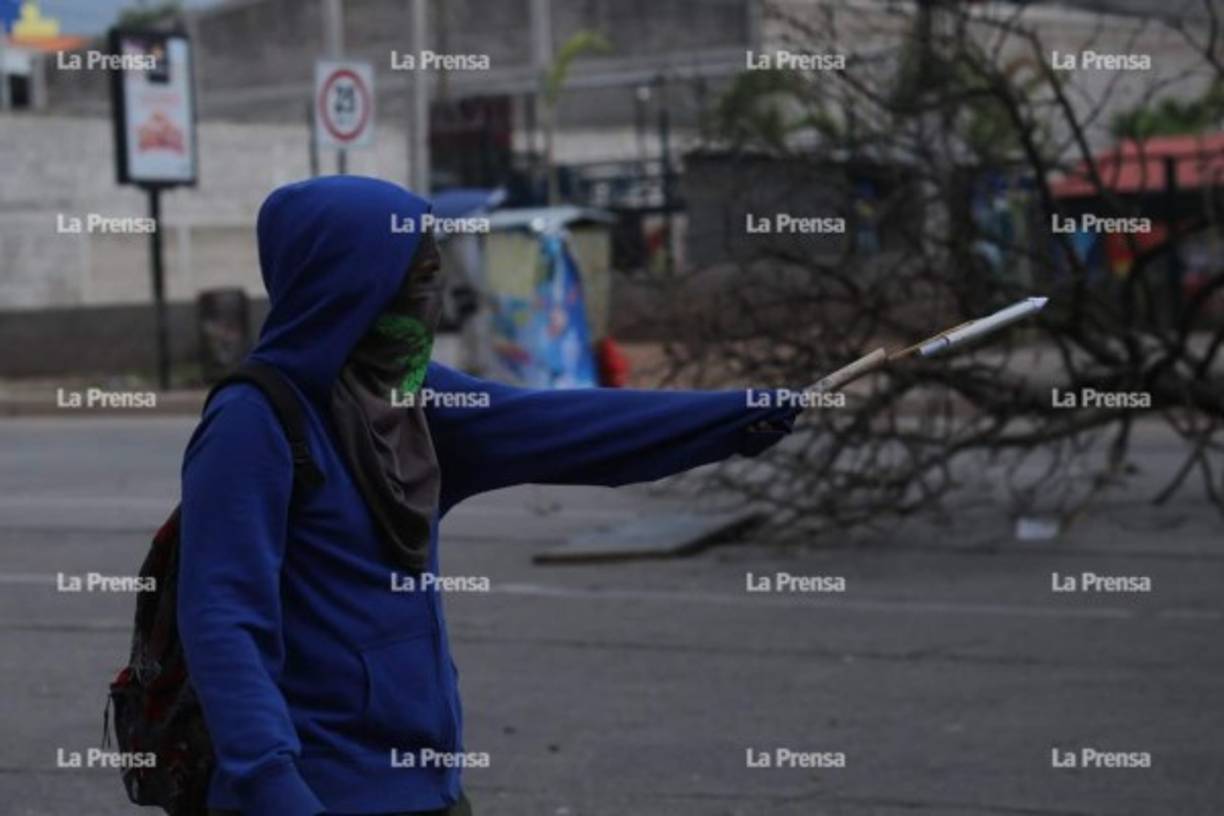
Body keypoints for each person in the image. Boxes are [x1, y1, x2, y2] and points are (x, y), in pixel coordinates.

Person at [178, 176, 799, 816]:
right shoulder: (252, 422)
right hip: (315, 795)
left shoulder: (413, 399)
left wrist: (738, 416)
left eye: (435, 275)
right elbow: (223, 617)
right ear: (350, 284)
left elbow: (572, 428)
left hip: (427, 787)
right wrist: (271, 786)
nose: (434, 299)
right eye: (418, 279)